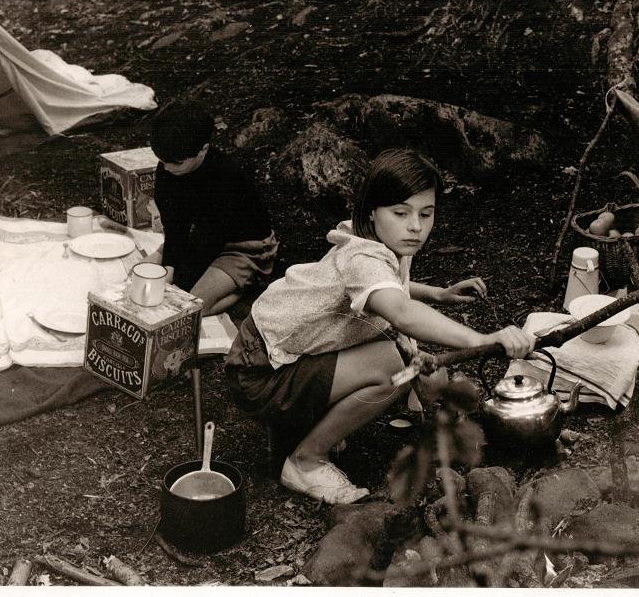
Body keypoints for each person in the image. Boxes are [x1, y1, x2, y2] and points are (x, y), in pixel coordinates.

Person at [224, 148, 536, 505]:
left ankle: (315, 418)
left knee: (414, 365)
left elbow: (389, 286)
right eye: (401, 213)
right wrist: (483, 339)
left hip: (273, 349)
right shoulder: (363, 256)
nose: (416, 226)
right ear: (372, 210)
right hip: (260, 371)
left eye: (426, 213)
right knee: (396, 368)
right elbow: (400, 311)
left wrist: (438, 293)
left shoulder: (379, 241)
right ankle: (305, 461)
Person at [145, 100, 278, 315]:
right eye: (163, 161)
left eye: (176, 162)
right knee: (142, 273)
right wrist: (169, 265)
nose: (167, 168)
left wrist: (177, 278)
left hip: (244, 247)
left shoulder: (226, 177)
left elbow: (211, 239)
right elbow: (173, 223)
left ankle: (248, 289)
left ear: (203, 149)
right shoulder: (169, 168)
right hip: (197, 236)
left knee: (192, 307)